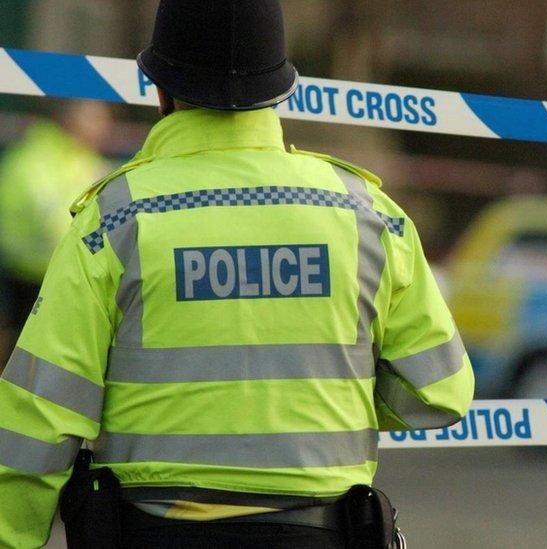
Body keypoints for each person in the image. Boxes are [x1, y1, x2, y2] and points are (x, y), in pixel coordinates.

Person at [0, 1, 474, 547]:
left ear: (160, 90)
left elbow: (38, 418)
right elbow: (441, 392)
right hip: (321, 534)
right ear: (280, 91)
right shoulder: (368, 216)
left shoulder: (113, 221)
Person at [0, 101, 112, 364]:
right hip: (33, 272)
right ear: (70, 122)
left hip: (45, 269)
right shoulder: (41, 159)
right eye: (95, 121)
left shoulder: (83, 160)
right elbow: (52, 222)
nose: (104, 129)